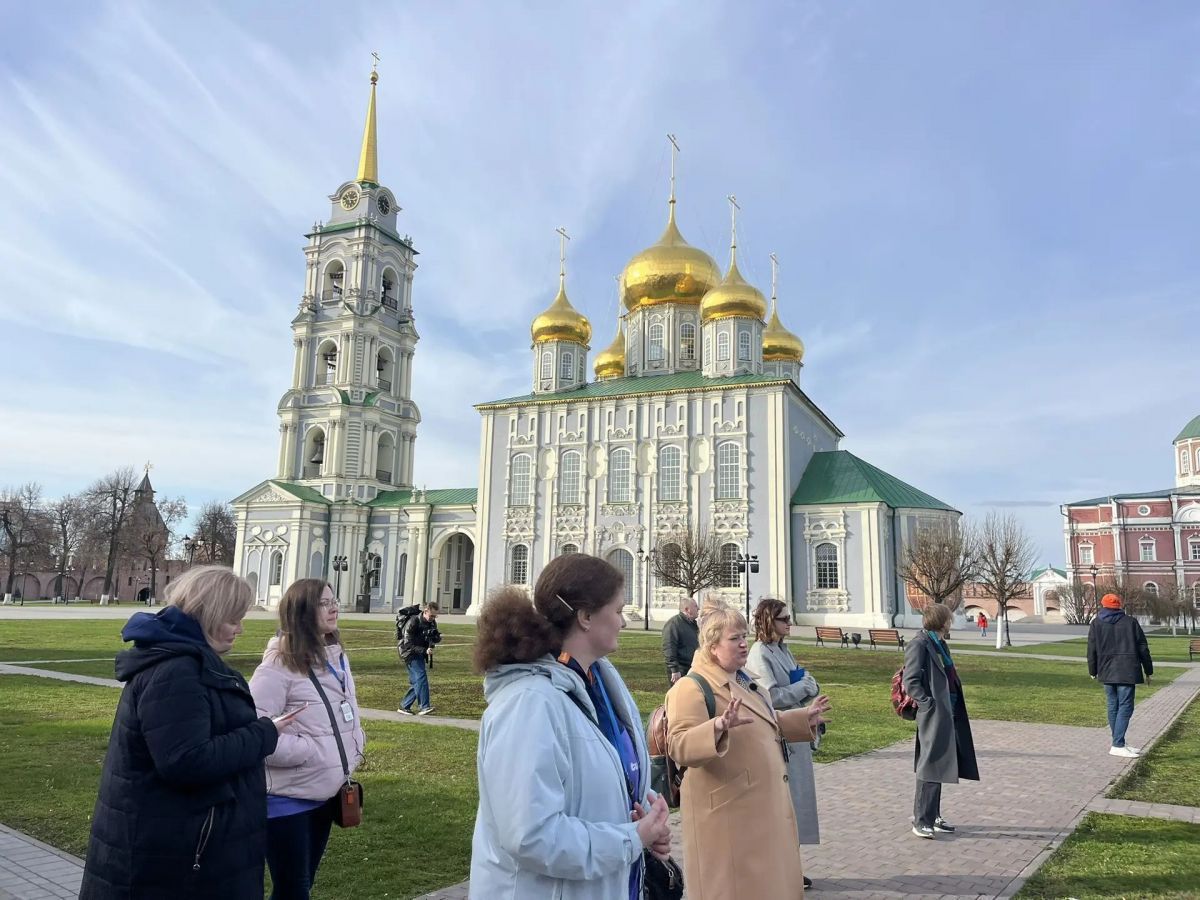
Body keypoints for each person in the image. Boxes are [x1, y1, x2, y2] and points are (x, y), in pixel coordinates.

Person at [469, 553, 671, 900]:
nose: (624, 622)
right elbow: (531, 835)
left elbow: (605, 778)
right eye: (618, 610)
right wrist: (632, 838)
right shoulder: (528, 705)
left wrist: (646, 819)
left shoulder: (602, 683)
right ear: (586, 617)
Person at [80, 566, 284, 900]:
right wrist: (264, 733)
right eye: (233, 620)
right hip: (176, 857)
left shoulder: (186, 662)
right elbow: (186, 760)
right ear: (209, 615)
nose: (240, 629)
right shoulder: (177, 672)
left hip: (187, 847)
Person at [665, 598, 829, 899]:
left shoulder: (744, 679)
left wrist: (802, 719)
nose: (744, 644)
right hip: (728, 822)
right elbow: (678, 745)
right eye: (734, 638)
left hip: (759, 816)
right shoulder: (690, 688)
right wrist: (716, 727)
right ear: (713, 646)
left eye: (744, 636)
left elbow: (766, 719)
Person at [250, 579, 366, 899]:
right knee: (294, 889)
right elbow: (252, 729)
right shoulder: (279, 663)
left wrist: (355, 740)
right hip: (286, 799)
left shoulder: (335, 656)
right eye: (324, 603)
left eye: (334, 601)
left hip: (323, 793)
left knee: (301, 885)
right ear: (301, 611)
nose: (334, 608)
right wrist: (307, 751)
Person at [745, 598, 821, 890]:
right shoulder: (760, 653)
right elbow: (770, 696)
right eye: (784, 619)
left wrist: (807, 686)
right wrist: (804, 687)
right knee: (781, 808)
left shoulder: (783, 650)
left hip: (796, 734)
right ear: (769, 621)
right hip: (781, 737)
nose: (789, 623)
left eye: (789, 618)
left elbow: (806, 679)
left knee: (795, 806)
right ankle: (779, 871)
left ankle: (791, 868)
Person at [903, 602, 980, 839]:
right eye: (948, 618)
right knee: (930, 763)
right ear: (941, 621)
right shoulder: (919, 644)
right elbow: (910, 680)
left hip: (949, 710)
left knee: (940, 763)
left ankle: (933, 816)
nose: (951, 621)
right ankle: (921, 820)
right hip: (934, 713)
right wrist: (927, 703)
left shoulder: (939, 643)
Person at [1087, 592, 1153, 758]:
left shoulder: (1096, 623)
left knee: (1113, 705)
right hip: (1127, 670)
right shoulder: (1131, 622)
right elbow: (1143, 647)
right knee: (1125, 706)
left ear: (1103, 605)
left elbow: (1091, 649)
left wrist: (1093, 670)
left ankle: (1119, 741)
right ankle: (1117, 744)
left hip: (1106, 669)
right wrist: (1148, 670)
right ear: (1119, 605)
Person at [397, 601, 442, 715]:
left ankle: (404, 706)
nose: (433, 618)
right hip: (408, 653)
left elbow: (434, 638)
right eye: (431, 616)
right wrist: (424, 650)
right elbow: (407, 644)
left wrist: (436, 637)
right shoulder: (413, 621)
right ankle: (424, 707)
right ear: (425, 611)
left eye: (435, 616)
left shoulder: (432, 623)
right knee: (421, 677)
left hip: (420, 652)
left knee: (417, 682)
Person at [661, 596, 700, 683]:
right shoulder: (673, 624)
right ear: (687, 609)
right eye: (695, 606)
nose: (698, 608)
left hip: (692, 668)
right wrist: (674, 669)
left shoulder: (693, 624)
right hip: (681, 670)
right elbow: (669, 647)